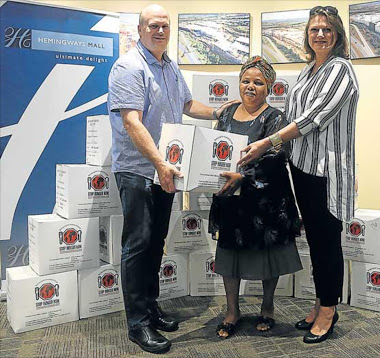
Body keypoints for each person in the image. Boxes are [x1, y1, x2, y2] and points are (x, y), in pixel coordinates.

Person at [107, 4, 233, 354]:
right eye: (153, 26)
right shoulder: (129, 67)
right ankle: (138, 325)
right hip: (138, 170)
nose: (160, 31)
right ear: (140, 29)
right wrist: (160, 163)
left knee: (155, 242)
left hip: (166, 171)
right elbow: (132, 122)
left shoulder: (170, 66)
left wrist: (222, 111)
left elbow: (189, 105)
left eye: (164, 25)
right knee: (138, 246)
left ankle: (150, 307)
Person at [238, 6, 359, 344]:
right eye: (314, 29)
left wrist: (267, 141)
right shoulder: (307, 71)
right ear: (307, 35)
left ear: (337, 35)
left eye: (327, 29)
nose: (319, 34)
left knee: (327, 243)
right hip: (302, 169)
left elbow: (312, 120)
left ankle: (329, 311)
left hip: (326, 172)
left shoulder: (341, 70)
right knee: (316, 242)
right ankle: (321, 301)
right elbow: (291, 113)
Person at [208, 56, 302, 339]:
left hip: (265, 200)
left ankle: (267, 306)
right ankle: (232, 311)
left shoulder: (275, 118)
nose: (251, 87)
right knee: (229, 254)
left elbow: (278, 157)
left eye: (258, 82)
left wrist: (244, 177)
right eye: (246, 81)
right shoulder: (226, 114)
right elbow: (216, 149)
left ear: (269, 87)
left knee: (267, 255)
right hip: (231, 200)